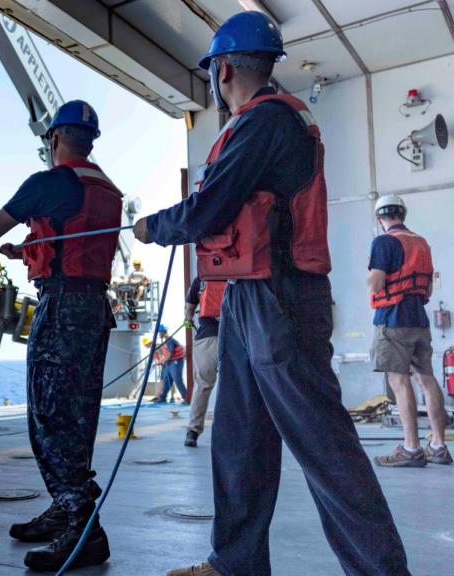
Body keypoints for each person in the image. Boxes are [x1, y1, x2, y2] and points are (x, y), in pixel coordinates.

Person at [131, 11, 410, 576]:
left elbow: (209, 208)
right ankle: (234, 562)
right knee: (239, 438)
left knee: (323, 444)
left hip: (280, 299)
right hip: (246, 297)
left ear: (223, 68)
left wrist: (151, 227)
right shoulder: (261, 124)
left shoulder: (265, 123)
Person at [0, 99, 122, 571]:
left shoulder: (46, 183)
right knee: (77, 415)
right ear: (90, 140)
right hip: (94, 307)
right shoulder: (107, 188)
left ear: (53, 139)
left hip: (61, 309)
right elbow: (71, 238)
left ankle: (83, 526)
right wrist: (27, 251)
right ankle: (65, 509)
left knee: (51, 419)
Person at [368, 195, 451, 467]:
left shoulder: (383, 242)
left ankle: (411, 448)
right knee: (427, 379)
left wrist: (369, 279)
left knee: (399, 382)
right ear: (403, 214)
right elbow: (427, 287)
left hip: (393, 321)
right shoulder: (421, 242)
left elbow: (376, 283)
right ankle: (438, 445)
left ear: (380, 218)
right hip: (419, 320)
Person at [182, 278, 225, 447]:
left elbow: (189, 308)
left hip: (207, 336)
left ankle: (193, 431)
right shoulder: (238, 270)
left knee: (202, 385)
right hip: (235, 336)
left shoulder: (202, 278)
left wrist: (188, 321)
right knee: (236, 387)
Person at [153, 325, 186, 403]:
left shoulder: (169, 340)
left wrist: (162, 361)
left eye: (159, 333)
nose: (158, 334)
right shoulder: (165, 341)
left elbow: (171, 353)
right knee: (167, 380)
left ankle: (186, 397)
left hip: (176, 362)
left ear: (163, 332)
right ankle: (162, 397)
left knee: (177, 380)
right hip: (170, 362)